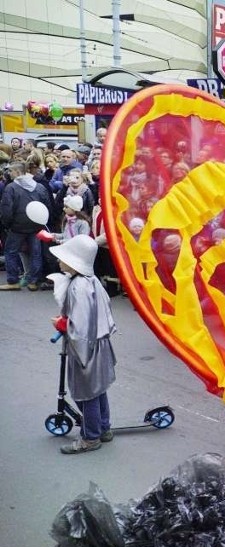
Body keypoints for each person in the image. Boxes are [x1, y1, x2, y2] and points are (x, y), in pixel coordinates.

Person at [49, 235, 118, 454]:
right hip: (100, 344)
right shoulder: (93, 280)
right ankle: (103, 428)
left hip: (85, 350)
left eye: (64, 258)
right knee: (99, 389)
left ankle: (90, 437)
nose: (59, 262)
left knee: (85, 394)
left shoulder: (78, 286)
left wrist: (62, 325)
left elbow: (80, 326)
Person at [0, 161, 54, 291]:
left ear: (17, 172)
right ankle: (33, 281)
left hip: (17, 227)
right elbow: (47, 206)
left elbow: (7, 209)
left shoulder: (11, 187)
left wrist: (7, 225)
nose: (9, 173)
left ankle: (13, 281)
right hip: (36, 226)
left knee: (11, 252)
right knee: (36, 253)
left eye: (11, 171)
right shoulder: (39, 187)